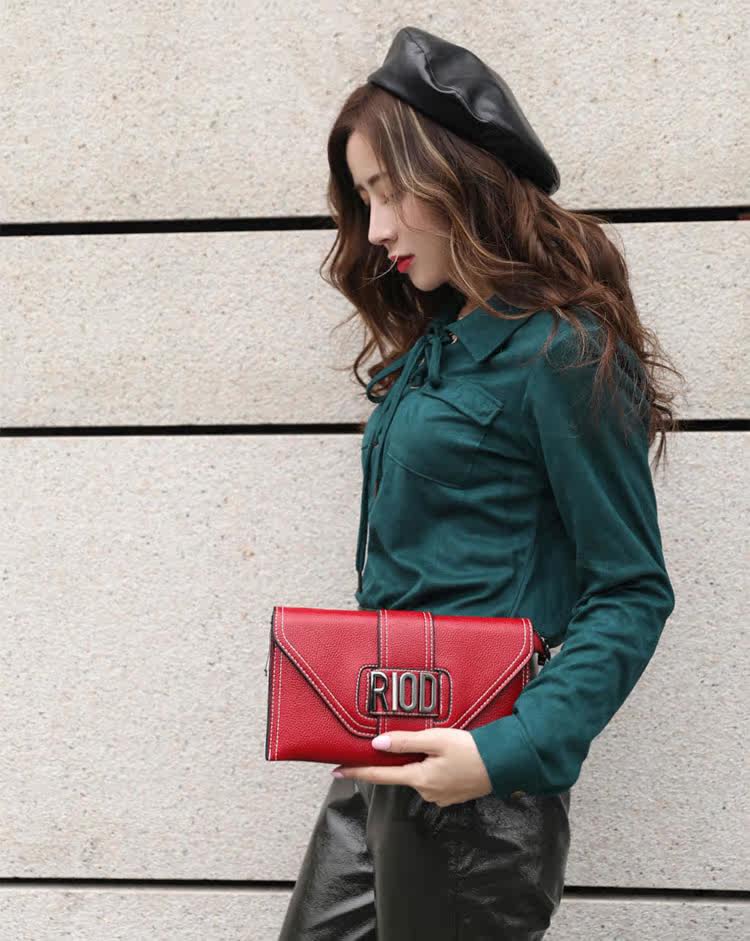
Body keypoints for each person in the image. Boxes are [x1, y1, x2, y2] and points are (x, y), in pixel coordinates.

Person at [278, 26, 683, 941]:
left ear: (456, 175)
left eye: (389, 190)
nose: (376, 230)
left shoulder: (560, 349)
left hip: (476, 788)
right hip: (380, 755)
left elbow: (631, 589)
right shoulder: (443, 347)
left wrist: (504, 752)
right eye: (364, 198)